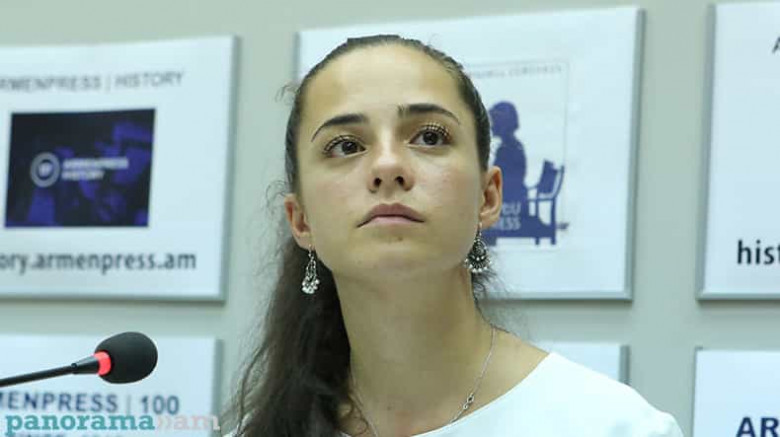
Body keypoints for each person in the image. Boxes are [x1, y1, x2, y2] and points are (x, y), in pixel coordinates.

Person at [228, 35, 684, 436]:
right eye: (346, 145)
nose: (387, 166)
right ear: (301, 220)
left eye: (429, 137)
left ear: (488, 197)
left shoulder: (613, 427)